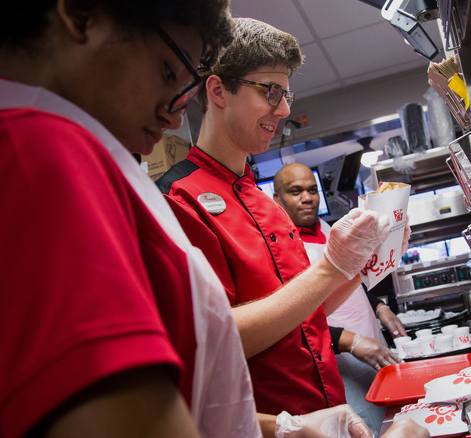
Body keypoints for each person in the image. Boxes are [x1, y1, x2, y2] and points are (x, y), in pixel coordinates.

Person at [0, 1, 428, 438]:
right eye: (170, 72)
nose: (175, 116)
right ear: (81, 13)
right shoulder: (32, 155)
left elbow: (175, 382)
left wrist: (281, 428)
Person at [154, 16, 414, 427]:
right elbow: (217, 339)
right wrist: (332, 266)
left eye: (287, 94)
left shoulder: (265, 202)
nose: (286, 109)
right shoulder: (179, 198)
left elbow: (306, 312)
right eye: (271, 92)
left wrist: (362, 260)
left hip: (327, 416)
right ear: (218, 89)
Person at [273, 162, 409, 435]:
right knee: (362, 426)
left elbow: (352, 277)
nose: (307, 198)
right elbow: (294, 318)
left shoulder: (328, 229)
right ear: (277, 199)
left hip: (372, 344)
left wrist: (379, 307)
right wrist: (350, 341)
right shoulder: (279, 249)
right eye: (295, 191)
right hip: (338, 361)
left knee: (391, 419)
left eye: (312, 190)